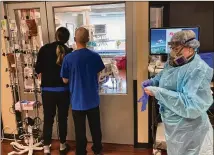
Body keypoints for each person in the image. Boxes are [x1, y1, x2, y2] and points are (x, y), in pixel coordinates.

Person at [143, 30, 213, 155]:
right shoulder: (175, 61)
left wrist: (159, 92)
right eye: (172, 48)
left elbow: (190, 105)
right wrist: (153, 81)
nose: (173, 53)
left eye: (177, 49)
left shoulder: (199, 70)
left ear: (190, 49)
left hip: (191, 129)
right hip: (173, 125)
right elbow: (166, 74)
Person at [61, 27, 105, 155]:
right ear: (88, 40)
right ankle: (97, 149)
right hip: (92, 99)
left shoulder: (68, 58)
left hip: (77, 101)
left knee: (80, 130)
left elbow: (64, 80)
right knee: (95, 127)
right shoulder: (95, 56)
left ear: (75, 40)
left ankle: (81, 151)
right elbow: (98, 74)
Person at [35, 27, 72, 155]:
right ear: (67, 39)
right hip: (63, 91)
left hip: (48, 92)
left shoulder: (44, 49)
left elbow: (37, 69)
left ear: (56, 36)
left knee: (48, 118)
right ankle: (62, 146)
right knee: (62, 118)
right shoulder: (69, 52)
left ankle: (46, 147)